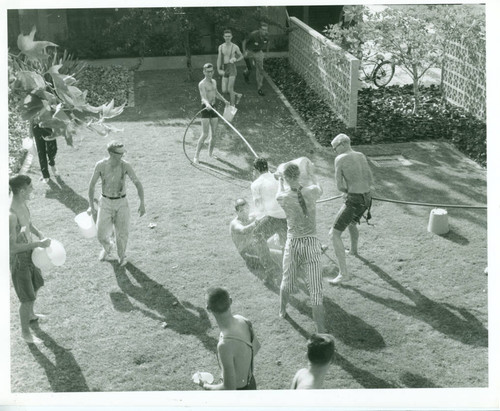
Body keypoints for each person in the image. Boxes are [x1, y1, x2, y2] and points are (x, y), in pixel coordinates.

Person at [276, 163, 325, 333]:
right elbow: (320, 188)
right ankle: (321, 331)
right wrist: (311, 174)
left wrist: (280, 180)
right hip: (311, 243)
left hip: (294, 243)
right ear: (298, 175)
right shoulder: (312, 191)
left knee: (287, 280)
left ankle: (282, 310)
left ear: (287, 178)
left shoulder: (283, 197)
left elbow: (279, 193)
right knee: (316, 290)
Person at [88, 141, 146, 267]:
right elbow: (92, 185)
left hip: (121, 203)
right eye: (120, 153)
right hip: (105, 202)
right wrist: (91, 206)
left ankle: (122, 256)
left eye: (123, 153)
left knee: (122, 233)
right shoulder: (100, 165)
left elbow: (137, 183)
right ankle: (108, 246)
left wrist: (142, 203)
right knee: (101, 234)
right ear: (111, 153)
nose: (122, 156)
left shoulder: (125, 166)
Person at [9, 175, 52, 344]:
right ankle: (26, 334)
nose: (32, 190)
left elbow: (28, 224)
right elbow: (11, 248)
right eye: (30, 187)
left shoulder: (22, 204)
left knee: (35, 286)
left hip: (29, 255)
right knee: (26, 298)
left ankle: (32, 316)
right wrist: (38, 244)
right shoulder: (10, 215)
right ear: (21, 191)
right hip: (19, 260)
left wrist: (39, 234)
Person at [328, 133, 373, 284]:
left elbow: (340, 186)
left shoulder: (340, 159)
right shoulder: (361, 155)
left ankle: (343, 274)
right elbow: (370, 178)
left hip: (354, 200)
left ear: (342, 144)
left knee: (334, 234)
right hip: (367, 199)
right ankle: (353, 250)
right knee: (352, 223)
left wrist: (347, 193)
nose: (335, 151)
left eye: (335, 148)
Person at [200, 287, 260, 390]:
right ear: (230, 301)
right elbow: (256, 348)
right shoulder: (243, 320)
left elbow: (229, 388)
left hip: (239, 394)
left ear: (208, 309)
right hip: (251, 384)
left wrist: (206, 386)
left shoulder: (224, 345)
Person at [229, 198, 281, 283]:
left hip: (257, 244)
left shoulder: (251, 216)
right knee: (280, 256)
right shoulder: (235, 224)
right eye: (241, 211)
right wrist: (257, 221)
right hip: (247, 252)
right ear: (237, 212)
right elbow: (244, 230)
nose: (245, 212)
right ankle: (271, 275)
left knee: (280, 242)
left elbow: (265, 213)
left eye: (246, 209)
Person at [193, 63, 230, 165]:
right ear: (204, 71)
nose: (210, 73)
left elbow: (216, 93)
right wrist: (207, 104)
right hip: (205, 108)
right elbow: (203, 97)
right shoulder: (202, 84)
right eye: (208, 71)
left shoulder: (214, 81)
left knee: (214, 134)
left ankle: (210, 154)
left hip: (213, 108)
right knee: (205, 134)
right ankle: (196, 156)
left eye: (211, 71)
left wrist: (224, 100)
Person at [250, 157, 287, 248]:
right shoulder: (277, 177)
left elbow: (259, 207)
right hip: (286, 216)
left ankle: (266, 262)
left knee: (257, 235)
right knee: (284, 243)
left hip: (273, 218)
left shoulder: (255, 184)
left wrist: (257, 219)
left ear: (256, 170)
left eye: (253, 170)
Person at [217, 29, 244, 107]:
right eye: (226, 36)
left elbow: (242, 56)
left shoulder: (235, 47)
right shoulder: (221, 47)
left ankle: (232, 106)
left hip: (232, 68)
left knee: (230, 89)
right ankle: (238, 95)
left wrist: (236, 60)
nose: (227, 38)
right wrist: (218, 69)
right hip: (224, 67)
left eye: (229, 36)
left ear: (231, 37)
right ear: (223, 37)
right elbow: (219, 58)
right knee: (224, 90)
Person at [242, 22, 269, 96]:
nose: (264, 31)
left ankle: (259, 88)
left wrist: (266, 53)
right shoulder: (253, 34)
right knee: (250, 68)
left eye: (266, 30)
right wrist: (244, 52)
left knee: (260, 69)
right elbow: (244, 42)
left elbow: (267, 44)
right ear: (260, 29)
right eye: (263, 29)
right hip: (250, 51)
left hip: (259, 52)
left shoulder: (266, 36)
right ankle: (245, 74)